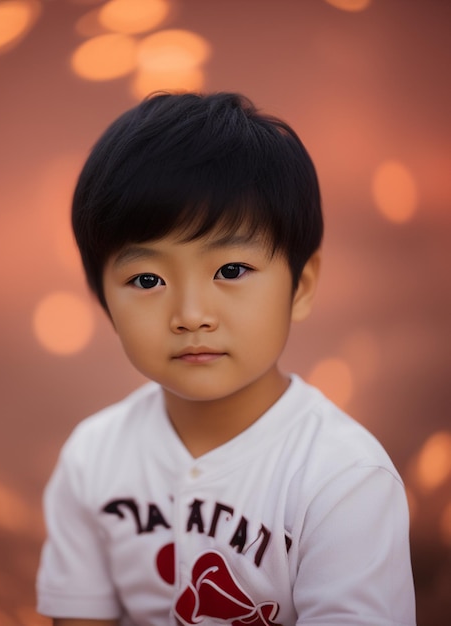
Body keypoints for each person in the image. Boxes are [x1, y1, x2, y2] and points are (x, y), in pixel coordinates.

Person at [36, 92, 416, 625]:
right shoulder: (92, 459)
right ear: (104, 301)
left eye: (231, 270)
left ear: (300, 287)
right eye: (148, 280)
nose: (192, 315)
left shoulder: (344, 479)